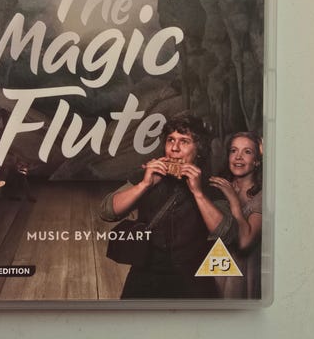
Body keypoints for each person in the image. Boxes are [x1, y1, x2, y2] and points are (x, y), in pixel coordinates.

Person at [100, 113, 236, 299]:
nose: (174, 148)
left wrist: (198, 193)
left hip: (192, 280)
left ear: (199, 148)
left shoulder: (211, 185)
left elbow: (226, 233)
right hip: (145, 275)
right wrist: (144, 185)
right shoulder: (147, 175)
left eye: (184, 141)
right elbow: (107, 211)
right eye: (170, 140)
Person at [209, 132, 263, 298]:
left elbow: (244, 243)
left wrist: (233, 199)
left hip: (242, 275)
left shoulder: (262, 197)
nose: (238, 157)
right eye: (234, 151)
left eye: (247, 152)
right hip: (213, 272)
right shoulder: (217, 188)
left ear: (256, 161)